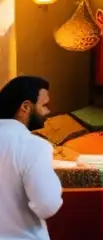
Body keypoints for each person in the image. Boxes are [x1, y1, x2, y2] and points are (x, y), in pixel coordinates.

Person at [0, 76, 62, 239]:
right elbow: (47, 205)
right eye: (44, 105)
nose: (47, 113)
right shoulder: (33, 146)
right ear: (26, 107)